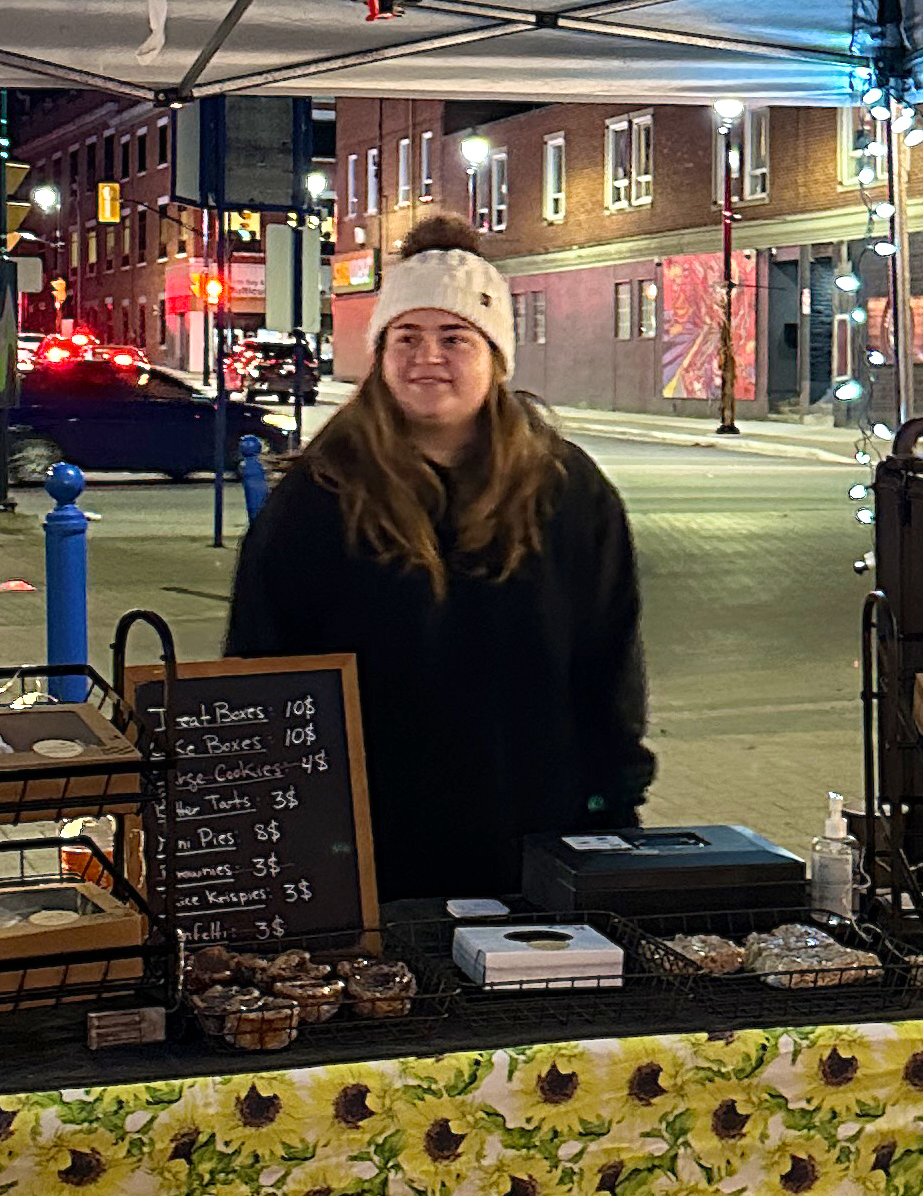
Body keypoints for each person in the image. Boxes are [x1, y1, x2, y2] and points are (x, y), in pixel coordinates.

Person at [225, 213, 655, 902]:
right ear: (380, 351)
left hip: (535, 838)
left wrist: (615, 799)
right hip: (366, 848)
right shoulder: (318, 495)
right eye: (407, 337)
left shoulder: (567, 491)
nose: (428, 356)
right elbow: (259, 665)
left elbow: (608, 658)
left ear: (495, 355)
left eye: (454, 337)